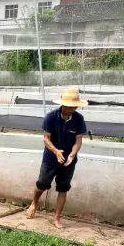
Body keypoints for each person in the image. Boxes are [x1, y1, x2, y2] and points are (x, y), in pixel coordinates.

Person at [26, 87, 88, 229]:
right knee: (42, 184)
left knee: (63, 188)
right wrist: (56, 151)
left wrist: (72, 155)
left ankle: (57, 218)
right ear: (64, 105)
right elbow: (46, 139)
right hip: (50, 158)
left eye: (75, 106)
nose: (73, 108)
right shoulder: (51, 117)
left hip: (68, 161)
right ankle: (34, 203)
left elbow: (78, 140)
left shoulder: (79, 119)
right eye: (71, 106)